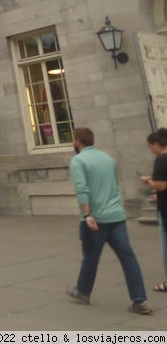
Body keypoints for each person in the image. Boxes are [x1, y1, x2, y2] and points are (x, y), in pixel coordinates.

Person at [66, 127, 152, 314]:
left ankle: (82, 292)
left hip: (95, 218)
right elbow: (113, 186)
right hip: (116, 216)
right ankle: (140, 300)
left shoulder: (78, 160)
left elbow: (82, 188)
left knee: (90, 257)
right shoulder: (108, 159)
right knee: (128, 258)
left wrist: (87, 214)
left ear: (77, 141)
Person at [141, 128, 167, 293]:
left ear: (157, 144)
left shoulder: (161, 160)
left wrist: (147, 181)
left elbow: (161, 185)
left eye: (150, 147)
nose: (150, 150)